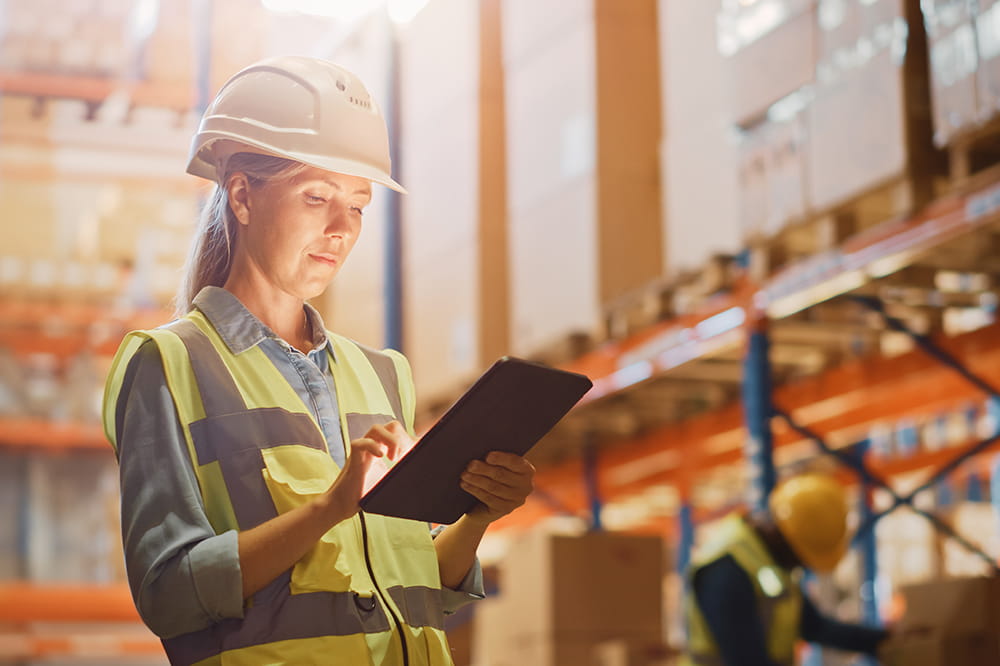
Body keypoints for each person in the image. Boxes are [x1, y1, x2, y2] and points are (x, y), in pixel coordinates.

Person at [101, 55, 535, 666]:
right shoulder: (169, 364)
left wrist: (479, 516)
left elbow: (412, 586)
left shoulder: (384, 374)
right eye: (316, 196)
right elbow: (169, 594)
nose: (341, 228)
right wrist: (329, 509)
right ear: (243, 197)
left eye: (357, 205)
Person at [682, 474, 892, 666]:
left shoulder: (770, 565)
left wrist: (886, 640)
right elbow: (745, 660)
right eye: (801, 558)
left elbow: (814, 627)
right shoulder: (726, 571)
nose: (801, 566)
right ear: (783, 539)